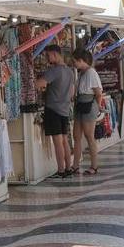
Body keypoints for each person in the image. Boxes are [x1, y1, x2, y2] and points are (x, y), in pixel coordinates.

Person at [36, 44, 75, 177]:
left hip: (53, 109)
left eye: (48, 55)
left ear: (54, 54)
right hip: (64, 109)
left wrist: (34, 83)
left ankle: (61, 170)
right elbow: (72, 92)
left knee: (57, 142)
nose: (47, 58)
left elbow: (40, 83)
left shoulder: (53, 71)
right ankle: (68, 168)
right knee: (65, 140)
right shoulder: (69, 71)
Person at [71, 50, 104, 175]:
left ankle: (94, 166)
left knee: (89, 136)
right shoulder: (81, 73)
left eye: (75, 61)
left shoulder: (91, 73)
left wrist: (97, 107)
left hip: (89, 106)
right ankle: (75, 165)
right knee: (76, 136)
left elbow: (98, 93)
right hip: (80, 104)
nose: (73, 63)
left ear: (81, 60)